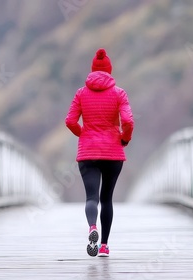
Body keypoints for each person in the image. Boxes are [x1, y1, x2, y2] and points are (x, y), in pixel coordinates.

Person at [65, 48, 134, 257]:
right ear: (110, 71)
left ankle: (92, 227)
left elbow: (70, 121)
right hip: (113, 152)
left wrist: (83, 132)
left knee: (91, 198)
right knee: (107, 199)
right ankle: (103, 245)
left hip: (88, 152)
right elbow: (129, 121)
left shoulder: (81, 93)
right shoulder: (119, 93)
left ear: (92, 70)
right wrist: (124, 138)